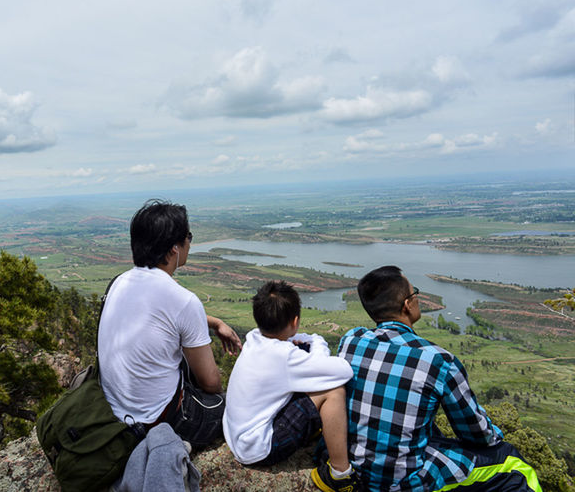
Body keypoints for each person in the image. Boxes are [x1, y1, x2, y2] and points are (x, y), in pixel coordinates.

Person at [339, 265, 542, 492]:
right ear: (407, 304)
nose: (417, 298)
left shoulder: (351, 340)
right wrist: (496, 436)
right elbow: (476, 434)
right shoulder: (438, 360)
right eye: (414, 293)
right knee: (513, 463)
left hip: (353, 466)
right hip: (400, 483)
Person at [98, 199, 241, 446]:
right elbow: (211, 383)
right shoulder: (183, 301)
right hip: (157, 421)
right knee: (239, 406)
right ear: (175, 249)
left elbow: (157, 319)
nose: (189, 242)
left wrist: (213, 322)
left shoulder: (119, 282)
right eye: (188, 236)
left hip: (114, 412)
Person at [223, 281, 361, 492]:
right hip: (259, 448)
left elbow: (292, 344)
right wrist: (318, 343)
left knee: (309, 376)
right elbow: (343, 371)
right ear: (295, 321)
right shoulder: (284, 357)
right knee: (333, 391)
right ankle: (340, 474)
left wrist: (306, 343)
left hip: (238, 436)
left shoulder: (254, 337)